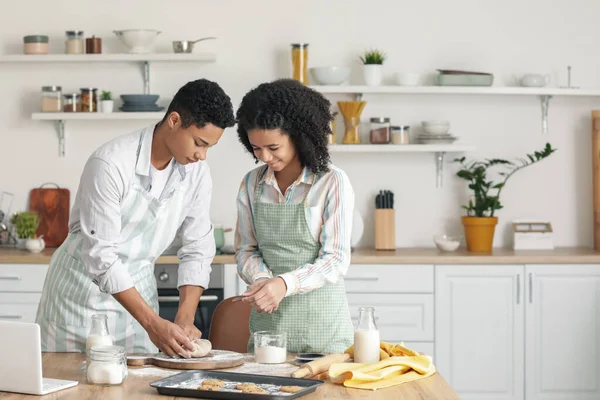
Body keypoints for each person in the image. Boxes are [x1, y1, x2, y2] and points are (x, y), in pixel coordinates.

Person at [35, 79, 236, 357]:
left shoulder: (196, 173)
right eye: (199, 143)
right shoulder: (110, 163)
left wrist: (185, 317)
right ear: (174, 121)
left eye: (209, 147)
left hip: (139, 293)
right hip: (80, 297)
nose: (202, 155)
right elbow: (102, 257)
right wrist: (152, 323)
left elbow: (198, 248)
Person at [234, 79, 355, 354]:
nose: (264, 156)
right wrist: (262, 280)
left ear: (298, 136)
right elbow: (246, 250)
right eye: (256, 148)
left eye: (273, 148)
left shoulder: (332, 182)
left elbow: (335, 259)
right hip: (270, 331)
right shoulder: (251, 184)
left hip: (324, 332)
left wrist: (284, 284)